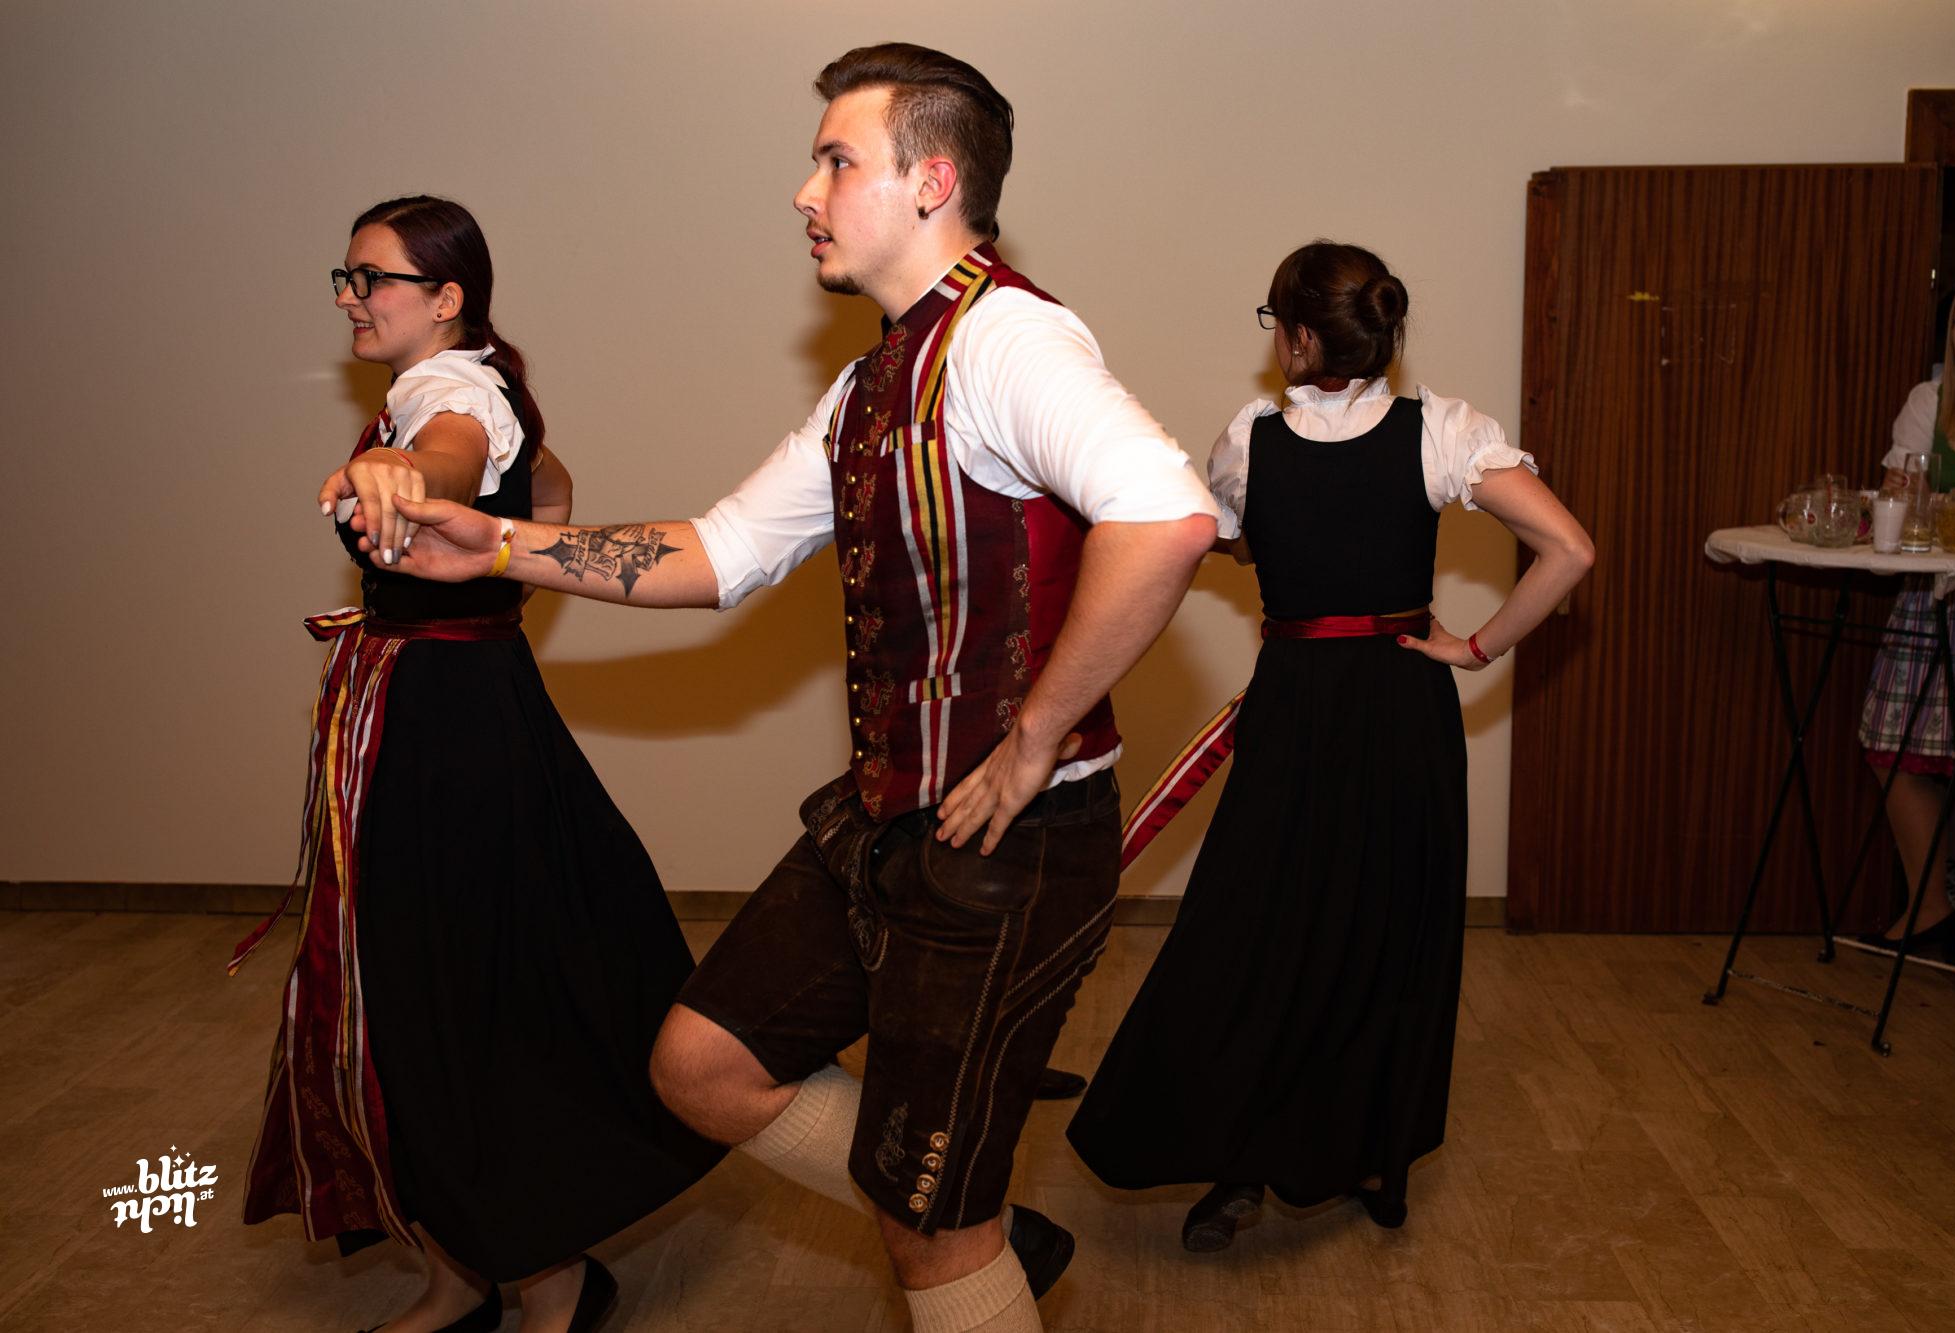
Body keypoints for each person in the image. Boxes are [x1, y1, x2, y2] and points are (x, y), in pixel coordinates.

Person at [372, 46, 1219, 1333]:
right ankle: (967, 1224)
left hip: (1009, 846)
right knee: (702, 1065)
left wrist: (1036, 735)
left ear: (930, 182)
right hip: (886, 819)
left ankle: (955, 1236)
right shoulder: (875, 377)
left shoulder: (1008, 339)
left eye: (834, 160)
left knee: (930, 1228)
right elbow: (718, 552)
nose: (802, 191)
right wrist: (492, 545)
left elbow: (1165, 516)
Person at [234, 196, 723, 1333]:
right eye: (346, 277)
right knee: (427, 985)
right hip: (442, 708)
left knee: (460, 991)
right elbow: (546, 484)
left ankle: (547, 1278)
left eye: (374, 278)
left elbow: (447, 457)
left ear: (446, 297)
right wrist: (498, 559)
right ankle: (462, 1270)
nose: (352, 298)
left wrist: (400, 475)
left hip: (446, 727)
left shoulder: (447, 395)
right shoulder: (474, 382)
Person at [1066, 241, 1594, 1250]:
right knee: (1390, 934)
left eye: (1276, 324)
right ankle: (1370, 1158)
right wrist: (1474, 648)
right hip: (1404, 704)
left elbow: (1233, 539)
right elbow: (1569, 548)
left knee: (1256, 930)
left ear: (1303, 337)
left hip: (1298, 704)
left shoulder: (1249, 438)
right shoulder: (1444, 430)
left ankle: (1242, 1159)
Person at [1858, 268, 1955, 971]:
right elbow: (1903, 497)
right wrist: (1902, 493)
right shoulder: (1929, 401)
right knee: (1890, 742)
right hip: (1933, 595)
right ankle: (1930, 901)